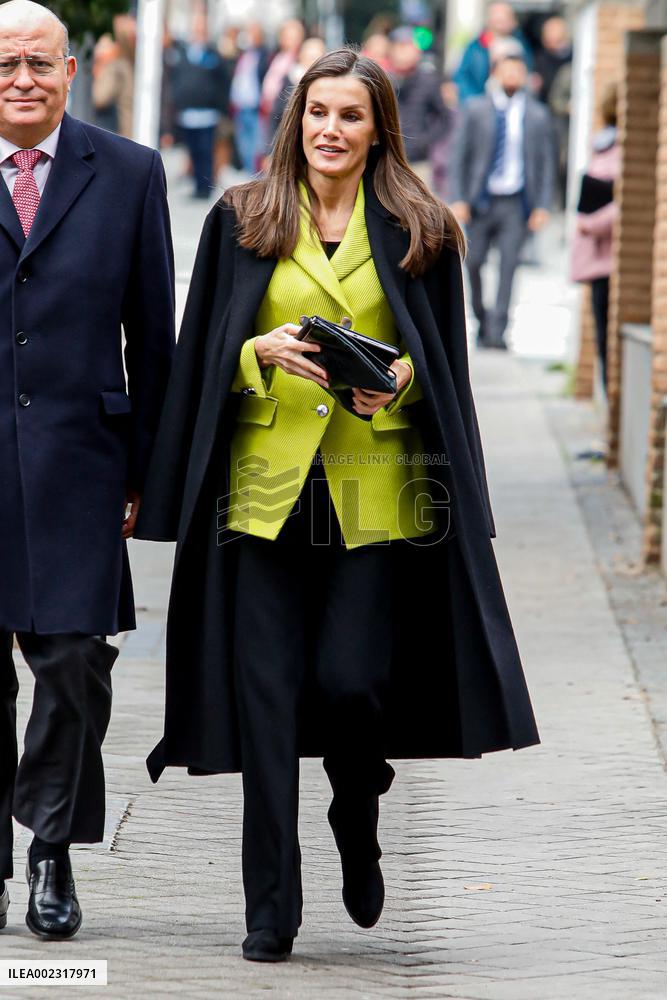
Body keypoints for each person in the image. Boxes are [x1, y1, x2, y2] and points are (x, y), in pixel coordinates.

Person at [135, 46, 539, 962]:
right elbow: (205, 353)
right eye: (318, 113)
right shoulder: (241, 217)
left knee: (351, 684)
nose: (331, 130)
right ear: (295, 120)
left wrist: (396, 379)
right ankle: (269, 908)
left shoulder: (421, 226)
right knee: (266, 701)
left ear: (377, 129)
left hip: (374, 496)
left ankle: (356, 804)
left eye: (351, 116)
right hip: (263, 495)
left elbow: (442, 367)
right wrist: (258, 354)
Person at [0, 0, 174, 940]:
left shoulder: (131, 173)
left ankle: (50, 848)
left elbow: (154, 334)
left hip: (82, 460)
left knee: (73, 664)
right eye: (4, 64)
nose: (21, 78)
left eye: (38, 61)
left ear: (73, 69)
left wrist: (149, 470)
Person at [450, 46, 555, 349]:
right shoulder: (476, 109)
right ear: (495, 73)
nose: (512, 76)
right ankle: (481, 320)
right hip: (480, 200)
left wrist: (542, 205)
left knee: (510, 266)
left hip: (516, 202)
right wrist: (459, 198)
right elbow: (459, 155)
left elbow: (546, 162)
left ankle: (499, 331)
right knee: (474, 262)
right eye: (507, 69)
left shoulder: (537, 114)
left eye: (518, 71)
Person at [570, 85, 619, 392]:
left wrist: (591, 223)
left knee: (609, 339)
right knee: (602, 338)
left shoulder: (620, 151)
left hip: (613, 257)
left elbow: (628, 200)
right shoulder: (604, 145)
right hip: (599, 259)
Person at [388, 26, 453, 185]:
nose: (405, 53)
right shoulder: (386, 80)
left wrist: (425, 141)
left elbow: (444, 117)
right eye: (401, 47)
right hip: (388, 159)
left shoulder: (428, 80)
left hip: (419, 162)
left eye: (409, 47)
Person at [455, 2, 532, 103]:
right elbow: (462, 76)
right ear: (489, 20)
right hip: (482, 102)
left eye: (504, 18)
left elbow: (528, 75)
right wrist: (472, 100)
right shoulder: (476, 47)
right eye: (497, 19)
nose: (500, 23)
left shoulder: (519, 46)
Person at [268, 36, 326, 144]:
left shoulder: (329, 84)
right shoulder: (290, 79)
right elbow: (276, 114)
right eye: (310, 57)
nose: (312, 62)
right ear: (301, 57)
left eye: (317, 57)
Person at [229, 21, 270, 174]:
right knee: (243, 143)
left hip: (255, 107)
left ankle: (255, 175)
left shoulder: (264, 55)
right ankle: (248, 172)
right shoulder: (243, 54)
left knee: (256, 144)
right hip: (241, 106)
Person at [91, 14, 136, 138]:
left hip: (119, 134)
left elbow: (99, 98)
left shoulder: (115, 68)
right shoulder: (127, 65)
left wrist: (99, 70)